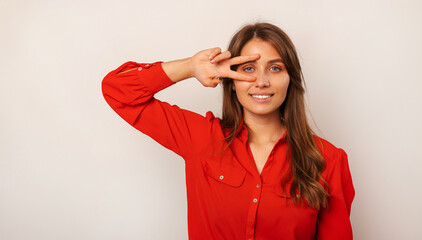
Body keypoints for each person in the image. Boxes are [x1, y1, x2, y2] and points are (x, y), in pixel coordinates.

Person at [101, 22, 355, 240]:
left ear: (291, 79)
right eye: (248, 69)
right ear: (231, 81)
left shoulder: (328, 159)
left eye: (275, 68)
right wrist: (190, 66)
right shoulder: (200, 138)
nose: (262, 81)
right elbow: (118, 90)